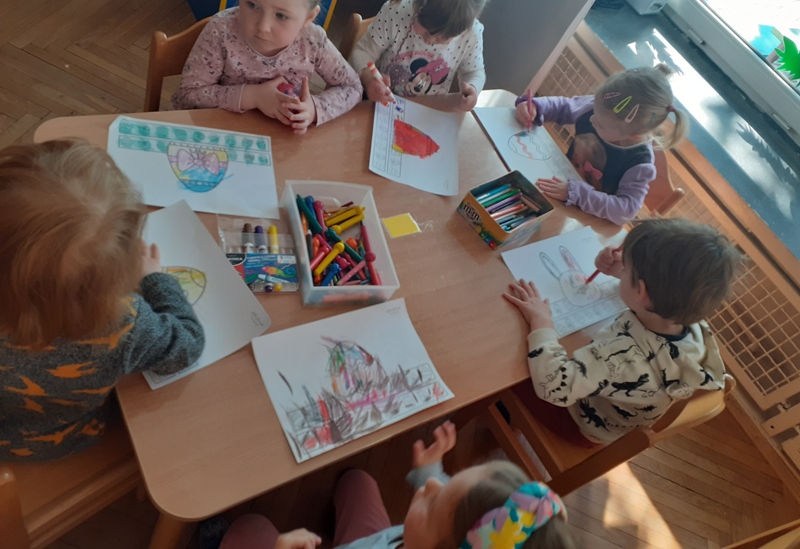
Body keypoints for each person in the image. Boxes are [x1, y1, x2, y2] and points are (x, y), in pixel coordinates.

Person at [0, 139, 205, 460]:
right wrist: (155, 279)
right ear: (116, 277)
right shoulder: (125, 324)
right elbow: (187, 345)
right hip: (66, 438)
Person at [503, 218, 741, 446]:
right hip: (614, 422)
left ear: (641, 291)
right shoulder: (690, 322)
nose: (622, 271)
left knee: (507, 368)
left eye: (627, 270)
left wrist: (542, 322)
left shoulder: (620, 356)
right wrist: (623, 274)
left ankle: (501, 418)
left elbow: (553, 386)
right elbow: (657, 295)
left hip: (577, 422)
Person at [213, 422, 575, 549]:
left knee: (248, 528)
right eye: (449, 480)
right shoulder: (475, 530)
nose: (431, 486)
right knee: (359, 481)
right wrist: (430, 468)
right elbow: (450, 503)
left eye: (432, 505)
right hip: (379, 541)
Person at [172, 0, 362, 135]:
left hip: (279, 139)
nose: (263, 26)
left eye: (281, 15)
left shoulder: (313, 41)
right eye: (252, 5)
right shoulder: (220, 31)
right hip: (216, 132)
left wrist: (313, 108)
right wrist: (254, 97)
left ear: (308, 17)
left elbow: (352, 87)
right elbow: (188, 95)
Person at [514, 64, 687, 225]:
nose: (591, 119)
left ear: (635, 135)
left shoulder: (640, 164)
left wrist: (578, 194)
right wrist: (536, 107)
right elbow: (564, 107)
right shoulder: (601, 107)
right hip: (556, 188)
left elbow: (626, 211)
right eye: (595, 112)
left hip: (585, 220)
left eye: (600, 124)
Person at [349, 0, 492, 112]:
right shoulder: (396, 12)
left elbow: (474, 71)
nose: (431, 41)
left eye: (445, 38)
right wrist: (368, 77)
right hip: (383, 105)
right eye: (427, 31)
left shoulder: (471, 32)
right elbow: (362, 52)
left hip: (429, 112)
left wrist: (473, 88)